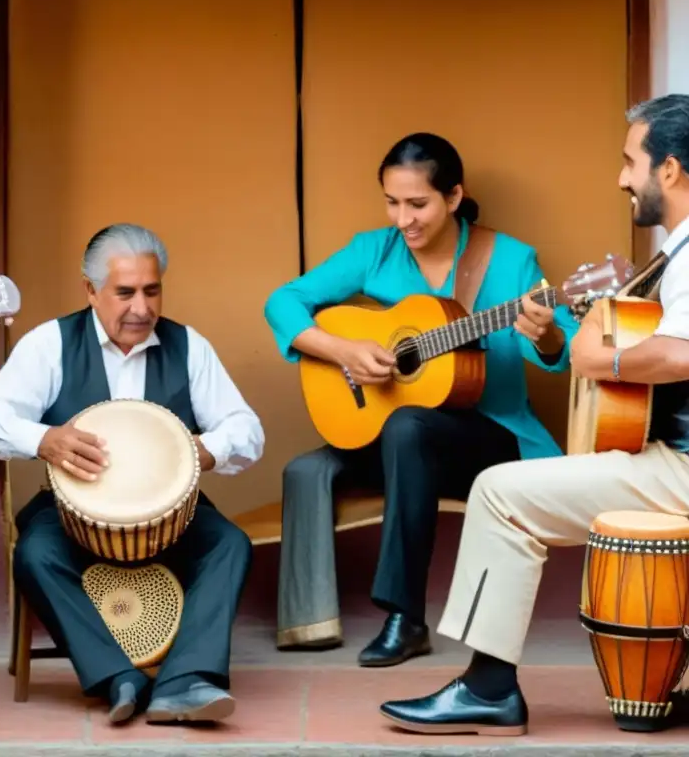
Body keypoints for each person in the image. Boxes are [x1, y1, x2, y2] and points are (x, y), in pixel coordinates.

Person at [378, 93, 689, 736]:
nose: (622, 177)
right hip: (670, 460)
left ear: (670, 170)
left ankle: (488, 688)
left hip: (680, 469)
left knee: (497, 492)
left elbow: (678, 353)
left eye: (631, 161)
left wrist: (594, 357)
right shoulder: (675, 254)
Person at [263, 132, 579, 664]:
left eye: (418, 204)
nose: (402, 219)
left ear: (454, 197)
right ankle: (309, 621)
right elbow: (283, 302)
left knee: (409, 425)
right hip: (397, 441)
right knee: (312, 466)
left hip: (486, 434)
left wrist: (544, 331)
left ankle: (404, 619)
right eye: (392, 202)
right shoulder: (373, 250)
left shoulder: (510, 260)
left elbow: (563, 347)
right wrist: (343, 350)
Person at [0, 223, 263, 725]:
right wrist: (44, 439)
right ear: (90, 290)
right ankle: (117, 677)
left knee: (228, 544)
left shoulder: (189, 347)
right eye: (125, 293)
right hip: (72, 512)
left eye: (152, 290)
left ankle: (184, 682)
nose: (141, 308)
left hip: (172, 516)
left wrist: (202, 450)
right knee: (35, 554)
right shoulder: (50, 344)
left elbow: (246, 429)